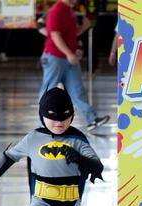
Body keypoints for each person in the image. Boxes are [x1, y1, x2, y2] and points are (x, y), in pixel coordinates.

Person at [40, 0, 109, 131]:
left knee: (77, 91)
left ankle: (92, 119)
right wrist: (68, 53)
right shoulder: (55, 11)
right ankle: (43, 122)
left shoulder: (69, 11)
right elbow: (55, 36)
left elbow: (71, 34)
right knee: (49, 90)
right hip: (54, 57)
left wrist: (84, 27)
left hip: (69, 58)